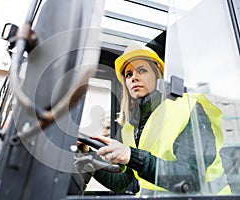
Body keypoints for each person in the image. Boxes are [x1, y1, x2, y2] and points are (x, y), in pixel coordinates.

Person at [79, 41, 231, 196]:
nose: (134, 78)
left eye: (142, 70)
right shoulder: (131, 128)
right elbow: (122, 182)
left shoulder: (188, 107)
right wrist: (87, 155)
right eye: (128, 74)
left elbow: (191, 178)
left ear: (158, 76)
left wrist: (131, 155)